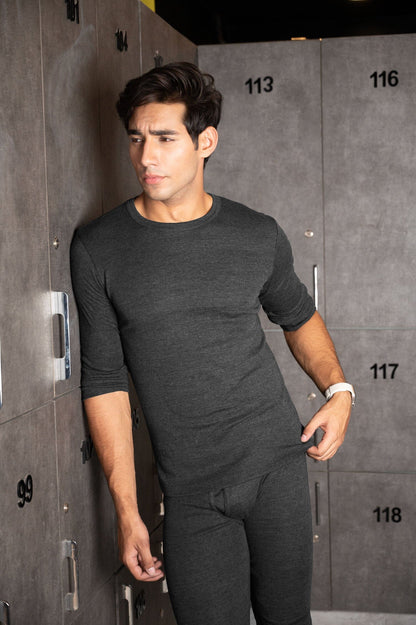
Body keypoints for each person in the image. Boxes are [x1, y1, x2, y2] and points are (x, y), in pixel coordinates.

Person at [70, 62, 353, 625]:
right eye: (136, 138)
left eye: (165, 138)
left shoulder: (255, 233)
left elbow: (298, 315)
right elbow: (104, 381)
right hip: (191, 492)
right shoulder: (99, 247)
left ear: (206, 142)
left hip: (275, 466)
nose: (146, 157)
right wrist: (127, 511)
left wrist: (339, 390)